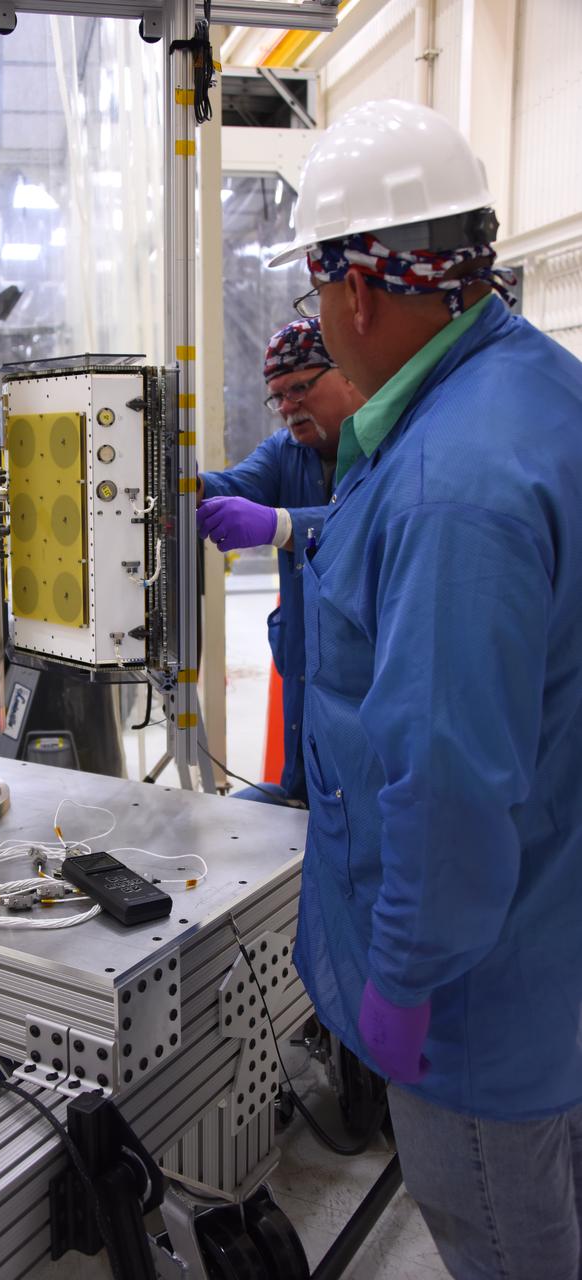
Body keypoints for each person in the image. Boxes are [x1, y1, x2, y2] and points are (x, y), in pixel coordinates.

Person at [269, 98, 582, 1280]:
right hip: (549, 937)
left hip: (472, 1004)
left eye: (311, 300)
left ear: (353, 292)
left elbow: (445, 791)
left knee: (505, 1241)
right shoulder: (536, 391)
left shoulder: (453, 486)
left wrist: (401, 983)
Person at [196, 317, 363, 804]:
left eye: (299, 389)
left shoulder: (391, 446)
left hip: (362, 681)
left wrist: (283, 525)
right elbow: (237, 483)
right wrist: (185, 484)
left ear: (346, 374)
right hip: (304, 663)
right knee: (298, 800)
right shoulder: (287, 450)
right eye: (277, 397)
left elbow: (373, 523)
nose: (287, 408)